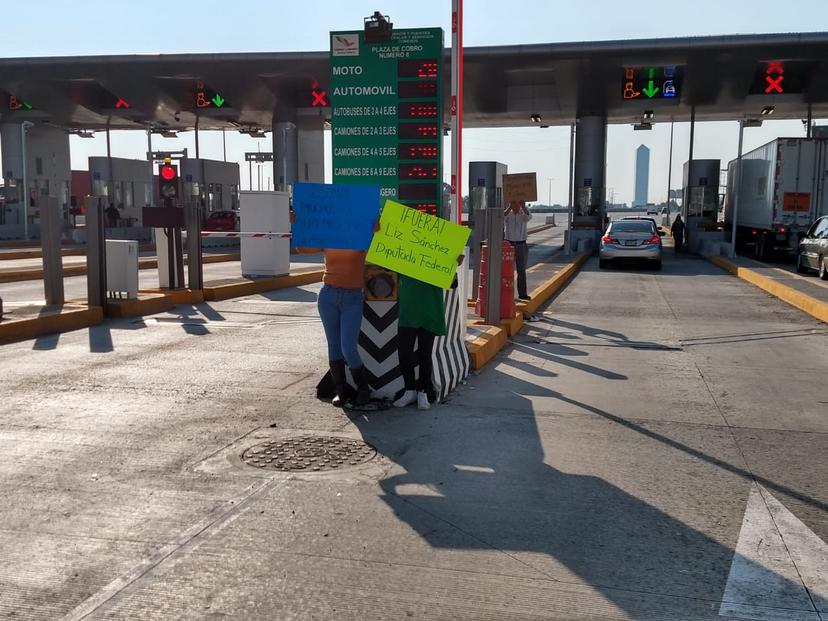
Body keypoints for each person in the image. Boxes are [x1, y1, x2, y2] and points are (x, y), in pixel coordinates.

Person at [292, 211, 378, 408]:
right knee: (334, 347)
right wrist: (296, 225)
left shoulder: (360, 236)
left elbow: (377, 250)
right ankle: (341, 392)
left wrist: (375, 231)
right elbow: (301, 247)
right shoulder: (328, 236)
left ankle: (363, 389)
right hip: (328, 295)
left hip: (353, 297)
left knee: (348, 347)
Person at [393, 255, 464, 411]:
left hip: (430, 309)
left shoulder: (438, 255)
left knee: (425, 353)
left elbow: (452, 284)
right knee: (404, 351)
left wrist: (454, 265)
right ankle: (410, 389)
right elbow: (387, 263)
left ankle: (422, 392)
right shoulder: (405, 253)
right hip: (408, 310)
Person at [504, 200, 532, 300]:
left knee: (522, 270)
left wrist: (523, 206)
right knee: (507, 270)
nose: (516, 205)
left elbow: (529, 217)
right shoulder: (508, 214)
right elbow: (502, 217)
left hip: (521, 244)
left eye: (517, 203)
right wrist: (509, 207)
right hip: (509, 244)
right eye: (514, 203)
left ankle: (522, 294)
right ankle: (507, 293)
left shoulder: (523, 213)